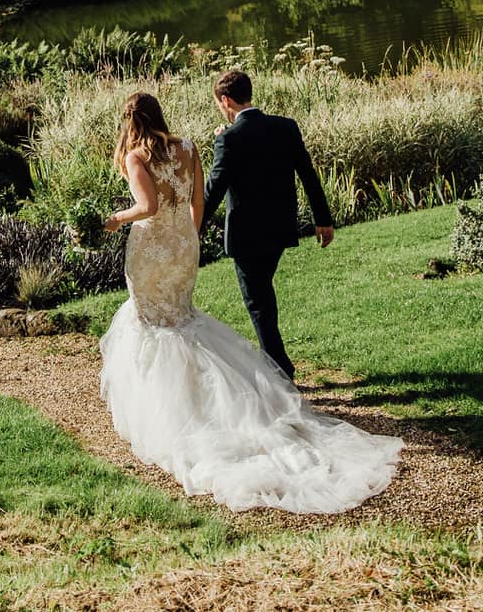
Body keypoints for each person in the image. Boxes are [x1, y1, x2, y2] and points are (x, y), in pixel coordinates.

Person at [95, 89, 400, 514]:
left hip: (151, 251)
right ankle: (203, 396)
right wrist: (189, 239)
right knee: (181, 319)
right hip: (183, 246)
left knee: (152, 324)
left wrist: (113, 220)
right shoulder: (188, 147)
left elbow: (145, 207)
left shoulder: (136, 157)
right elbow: (198, 202)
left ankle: (170, 410)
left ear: (129, 122)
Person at [201, 66, 333, 379]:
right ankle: (277, 364)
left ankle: (280, 371)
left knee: (257, 302)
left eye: (220, 103)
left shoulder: (229, 140)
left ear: (226, 100)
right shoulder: (285, 127)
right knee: (263, 294)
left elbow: (214, 189)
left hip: (248, 235)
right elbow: (308, 175)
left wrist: (193, 228)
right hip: (279, 227)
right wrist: (323, 220)